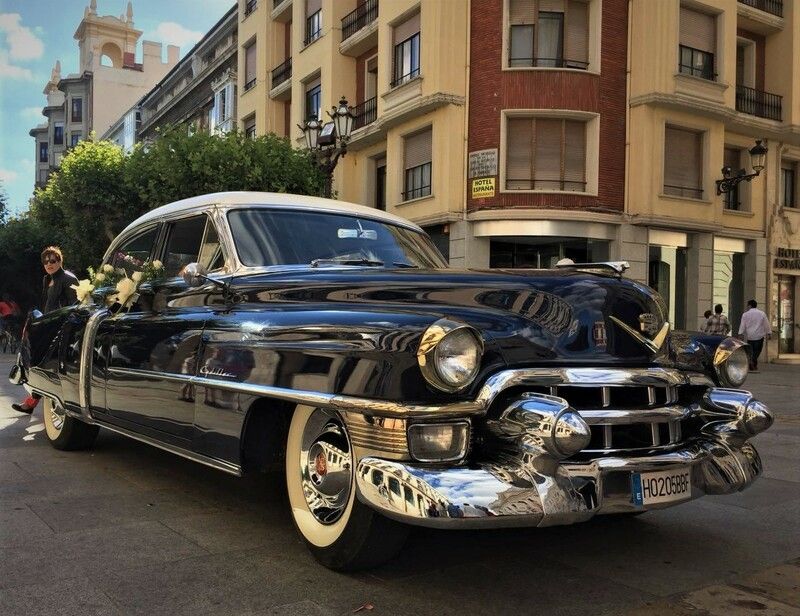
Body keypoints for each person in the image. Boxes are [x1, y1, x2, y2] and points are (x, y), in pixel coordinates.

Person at [11, 246, 78, 414]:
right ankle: (29, 394)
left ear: (60, 261)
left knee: (42, 363)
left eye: (53, 260)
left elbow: (75, 306)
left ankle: (31, 400)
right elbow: (46, 304)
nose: (49, 264)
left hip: (60, 327)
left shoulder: (68, 279)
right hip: (46, 325)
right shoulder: (46, 279)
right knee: (37, 361)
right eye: (46, 261)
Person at [738, 299, 771, 372]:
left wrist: (740, 333)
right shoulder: (762, 313)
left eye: (747, 305)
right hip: (759, 336)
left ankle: (753, 364)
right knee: (758, 351)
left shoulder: (745, 314)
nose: (747, 307)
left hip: (750, 336)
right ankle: (752, 361)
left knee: (751, 351)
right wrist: (768, 333)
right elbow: (766, 324)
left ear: (750, 305)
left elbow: (742, 325)